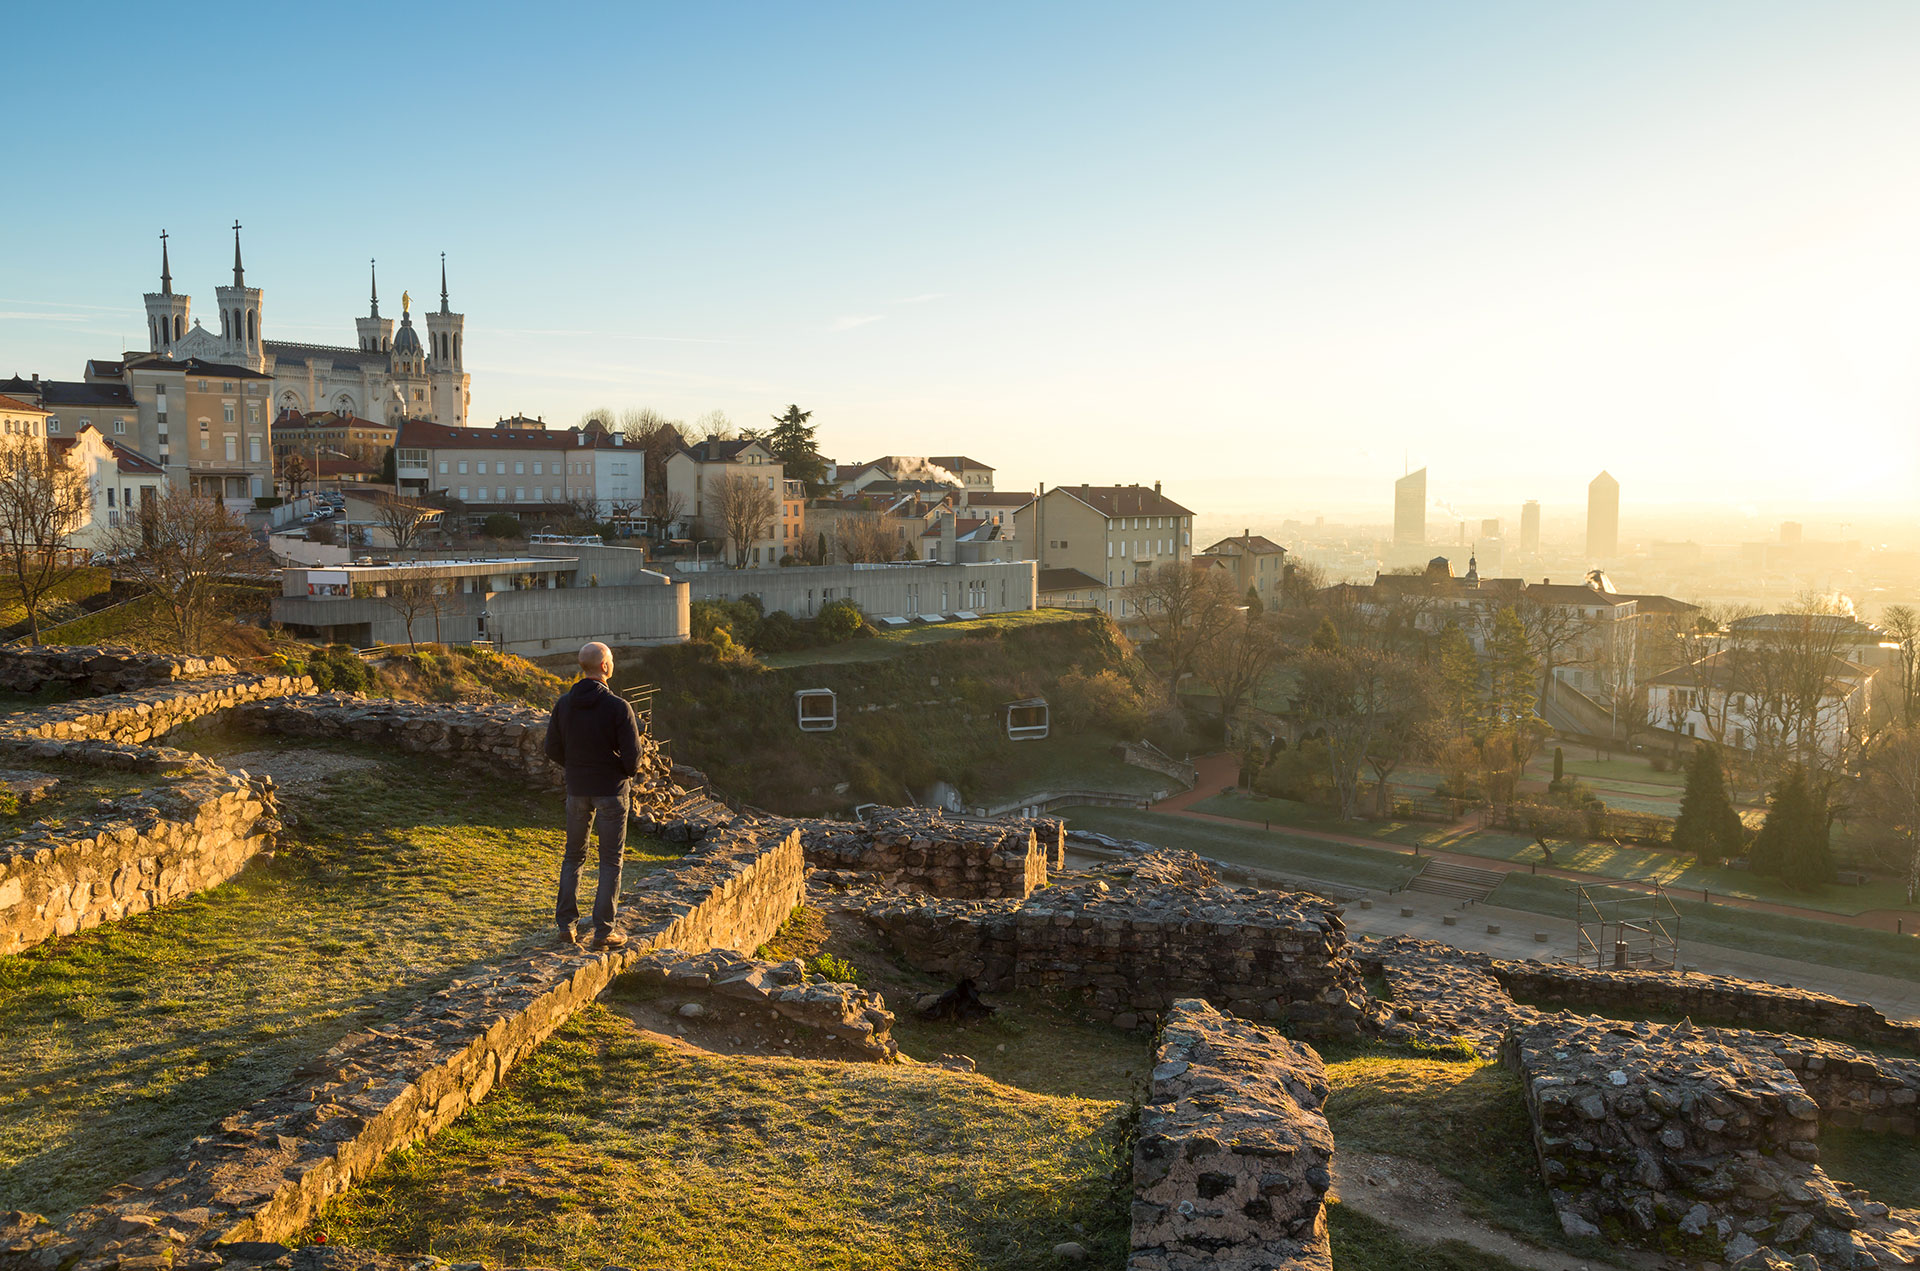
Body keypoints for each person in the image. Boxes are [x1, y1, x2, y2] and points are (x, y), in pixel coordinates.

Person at [543, 641, 641, 950]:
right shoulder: (617, 707)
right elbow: (633, 759)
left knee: (573, 856)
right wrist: (615, 770)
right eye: (610, 660)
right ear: (604, 667)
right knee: (610, 861)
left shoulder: (564, 703)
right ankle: (603, 931)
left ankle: (566, 926)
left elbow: (551, 748)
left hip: (577, 789)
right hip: (611, 790)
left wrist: (576, 767)